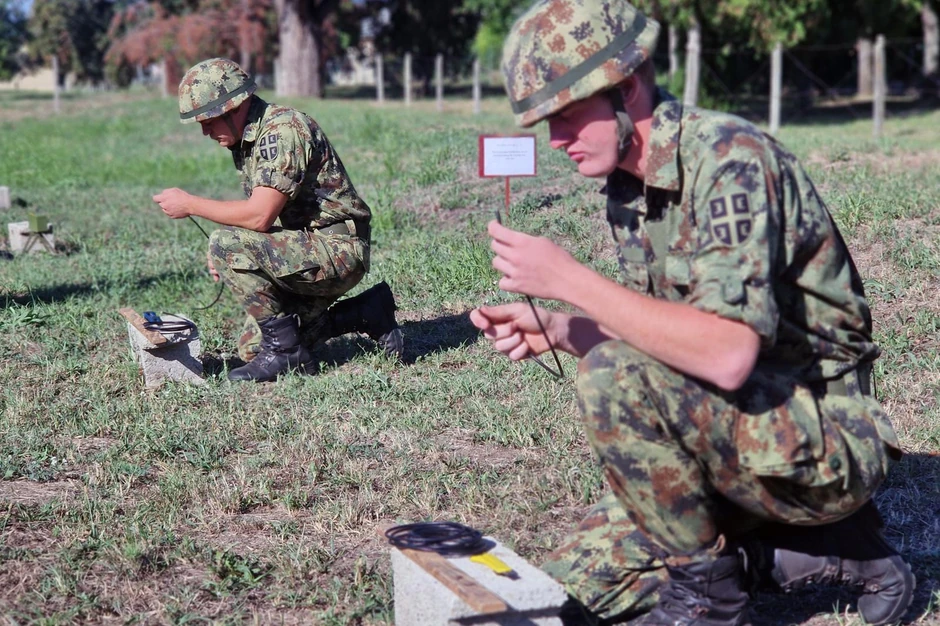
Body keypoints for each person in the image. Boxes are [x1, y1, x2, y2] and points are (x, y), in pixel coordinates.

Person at [470, 1, 914, 624]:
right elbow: (663, 339)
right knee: (576, 593)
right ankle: (803, 555)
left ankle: (712, 602)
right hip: (731, 430)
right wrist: (567, 331)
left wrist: (570, 280)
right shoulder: (631, 186)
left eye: (567, 115)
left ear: (626, 87)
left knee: (611, 378)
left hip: (820, 438)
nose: (557, 140)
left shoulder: (730, 160)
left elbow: (727, 355)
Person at [153, 58, 403, 382]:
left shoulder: (283, 130)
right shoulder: (249, 138)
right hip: (309, 249)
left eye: (208, 120)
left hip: (338, 250)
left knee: (225, 244)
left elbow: (259, 216)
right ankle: (368, 312)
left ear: (234, 106)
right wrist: (239, 251)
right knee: (252, 349)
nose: (204, 131)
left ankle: (287, 355)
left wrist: (192, 206)